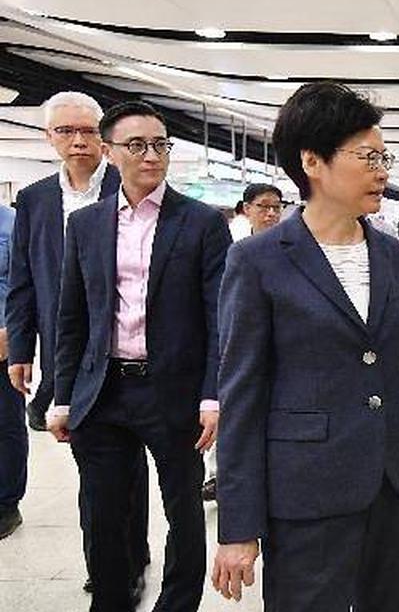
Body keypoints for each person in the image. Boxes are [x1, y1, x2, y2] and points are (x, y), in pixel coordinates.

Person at [212, 81, 399, 611]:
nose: (382, 170)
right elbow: (243, 397)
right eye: (368, 156)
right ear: (313, 162)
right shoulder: (259, 261)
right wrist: (238, 526)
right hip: (307, 489)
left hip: (396, 481)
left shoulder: (392, 255)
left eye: (384, 155)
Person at [53, 100, 231, 612]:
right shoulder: (85, 225)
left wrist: (212, 393)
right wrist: (63, 397)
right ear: (109, 152)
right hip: (103, 389)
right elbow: (73, 319)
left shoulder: (200, 223)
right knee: (104, 512)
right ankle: (111, 599)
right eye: (137, 145)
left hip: (171, 388)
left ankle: (177, 604)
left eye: (160, 145)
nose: (151, 155)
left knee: (183, 508)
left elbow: (219, 317)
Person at [6, 91, 150, 593]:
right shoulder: (36, 198)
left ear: (106, 139)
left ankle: (124, 562)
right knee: (98, 466)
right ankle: (115, 562)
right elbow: (23, 275)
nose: (78, 141)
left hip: (126, 349)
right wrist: (21, 347)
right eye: (65, 132)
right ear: (49, 138)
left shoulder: (131, 187)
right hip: (68, 350)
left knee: (122, 462)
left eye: (88, 131)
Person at [201, 182, 285, 502]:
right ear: (246, 209)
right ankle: (218, 475)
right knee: (231, 407)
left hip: (274, 343)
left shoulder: (288, 246)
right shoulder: (232, 248)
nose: (270, 213)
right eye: (263, 206)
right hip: (235, 339)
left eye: (276, 207)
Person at [0, 202, 17, 539]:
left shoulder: (11, 223)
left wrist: (12, 332)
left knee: (6, 422)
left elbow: (22, 284)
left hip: (0, 338)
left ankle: (7, 503)